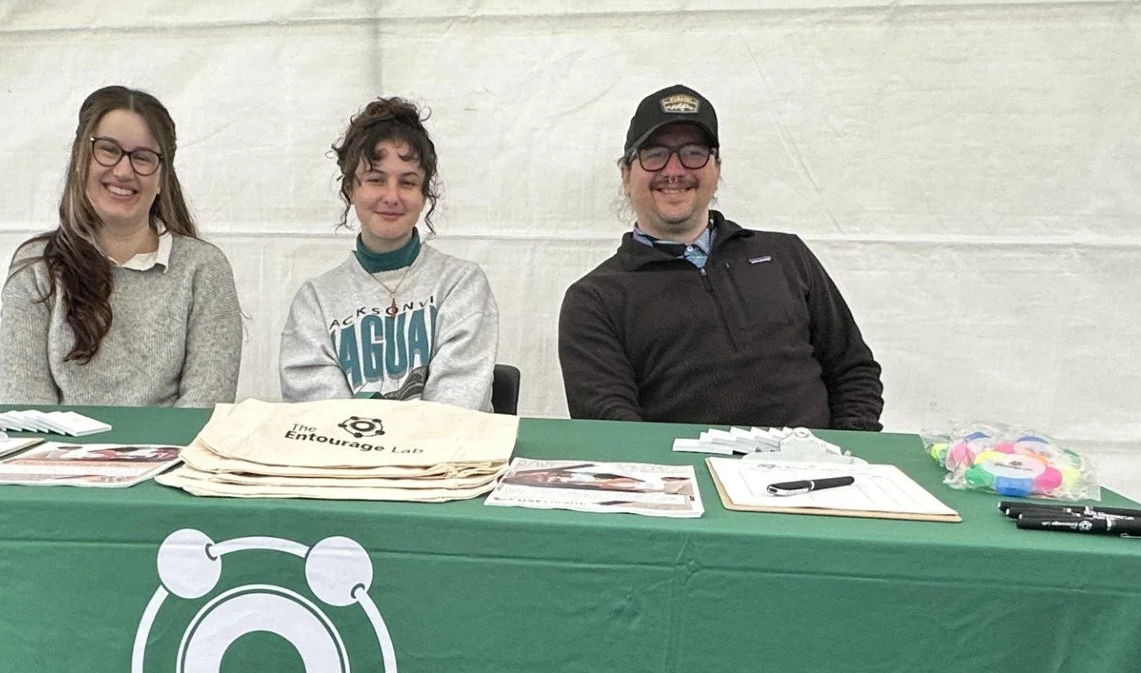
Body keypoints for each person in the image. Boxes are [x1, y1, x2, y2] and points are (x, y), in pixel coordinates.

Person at [559, 85, 882, 429]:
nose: (675, 170)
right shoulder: (594, 299)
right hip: (683, 477)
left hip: (813, 473)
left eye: (693, 153)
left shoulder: (787, 255)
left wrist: (845, 453)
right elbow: (612, 427)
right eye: (655, 154)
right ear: (626, 174)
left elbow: (853, 371)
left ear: (717, 168)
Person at [0, 86, 242, 407]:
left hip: (174, 456)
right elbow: (28, 411)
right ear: (79, 159)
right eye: (108, 150)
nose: (124, 171)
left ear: (162, 178)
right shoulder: (36, 267)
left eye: (142, 157)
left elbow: (202, 413)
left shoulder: (204, 269)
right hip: (57, 457)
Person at [279, 98, 498, 409]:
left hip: (443, 456)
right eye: (375, 180)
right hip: (347, 457)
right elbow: (323, 421)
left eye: (408, 183)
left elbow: (456, 410)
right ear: (350, 190)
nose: (392, 197)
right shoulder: (314, 302)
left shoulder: (462, 284)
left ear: (424, 195)